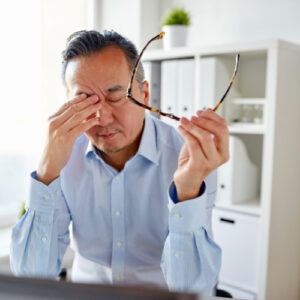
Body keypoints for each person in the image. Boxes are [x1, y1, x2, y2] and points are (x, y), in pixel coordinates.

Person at [10, 30, 229, 294]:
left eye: (115, 96)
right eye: (84, 101)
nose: (102, 117)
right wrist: (46, 174)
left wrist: (187, 190)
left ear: (144, 94)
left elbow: (193, 288)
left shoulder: (190, 159)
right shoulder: (62, 155)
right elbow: (32, 277)